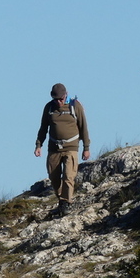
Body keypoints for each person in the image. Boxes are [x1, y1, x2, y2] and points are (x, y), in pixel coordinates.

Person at [35, 83, 91, 216]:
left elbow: (83, 127)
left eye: (61, 99)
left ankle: (66, 202)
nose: (59, 102)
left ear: (66, 95)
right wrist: (38, 145)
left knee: (68, 176)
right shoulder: (49, 108)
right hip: (54, 148)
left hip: (71, 147)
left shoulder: (75, 106)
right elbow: (43, 128)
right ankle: (61, 198)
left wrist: (86, 148)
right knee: (53, 177)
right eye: (56, 99)